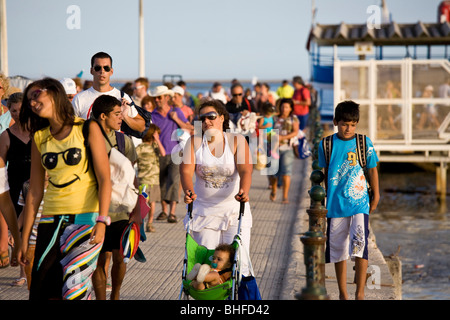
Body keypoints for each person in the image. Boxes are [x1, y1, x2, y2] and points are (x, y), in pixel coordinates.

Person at [17, 78, 112, 300]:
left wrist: (102, 220)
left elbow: (105, 178)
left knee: (74, 290)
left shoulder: (88, 128)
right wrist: (23, 240)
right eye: (28, 99)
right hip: (50, 223)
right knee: (43, 292)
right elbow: (34, 192)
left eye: (36, 94)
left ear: (54, 93)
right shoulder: (40, 138)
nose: (32, 101)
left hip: (84, 221)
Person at [180, 99, 253, 278]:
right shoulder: (194, 142)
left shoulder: (237, 141)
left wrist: (244, 190)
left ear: (222, 118)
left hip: (234, 211)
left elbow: (246, 170)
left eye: (211, 117)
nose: (206, 122)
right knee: (205, 264)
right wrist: (188, 191)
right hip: (204, 211)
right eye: (202, 118)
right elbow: (185, 170)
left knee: (237, 262)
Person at [318, 100, 380, 300]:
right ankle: (343, 293)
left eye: (353, 124)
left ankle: (359, 292)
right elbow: (323, 172)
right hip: (335, 204)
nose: (349, 128)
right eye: (345, 123)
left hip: (359, 202)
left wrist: (376, 195)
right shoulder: (326, 144)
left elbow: (372, 168)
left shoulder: (364, 142)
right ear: (336, 121)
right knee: (338, 250)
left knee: (360, 246)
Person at [90, 95, 140, 300]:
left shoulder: (123, 140)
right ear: (103, 116)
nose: (121, 118)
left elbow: (133, 176)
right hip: (93, 209)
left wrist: (138, 210)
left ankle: (116, 295)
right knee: (98, 261)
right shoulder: (86, 139)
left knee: (121, 258)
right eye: (117, 114)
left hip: (120, 211)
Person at [71, 52, 145, 134]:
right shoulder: (79, 98)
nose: (102, 71)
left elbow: (141, 127)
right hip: (87, 145)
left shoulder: (121, 96)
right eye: (98, 68)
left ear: (111, 71)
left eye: (106, 68)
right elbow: (69, 127)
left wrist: (125, 117)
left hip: (114, 146)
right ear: (92, 71)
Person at [150, 85, 193, 223]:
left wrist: (176, 119)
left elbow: (190, 128)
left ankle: (172, 213)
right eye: (155, 97)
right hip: (159, 153)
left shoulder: (176, 111)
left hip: (176, 152)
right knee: (161, 182)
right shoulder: (153, 115)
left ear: (167, 98)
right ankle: (163, 211)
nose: (156, 100)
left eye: (159, 97)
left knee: (174, 181)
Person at [0, 93, 30, 269]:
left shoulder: (38, 133)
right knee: (19, 228)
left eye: (21, 110)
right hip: (15, 184)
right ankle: (22, 272)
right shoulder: (6, 135)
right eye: (14, 111)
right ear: (9, 112)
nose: (18, 114)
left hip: (36, 185)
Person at [136, 124, 166, 232]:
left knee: (152, 202)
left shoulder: (156, 147)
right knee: (144, 201)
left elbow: (163, 153)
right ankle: (141, 223)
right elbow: (133, 158)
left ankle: (150, 223)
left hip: (154, 180)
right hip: (144, 179)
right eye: (156, 134)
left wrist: (157, 140)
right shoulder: (141, 147)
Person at [270, 99, 299, 204]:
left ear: (291, 108)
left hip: (288, 148)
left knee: (286, 172)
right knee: (273, 173)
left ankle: (285, 196)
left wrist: (282, 137)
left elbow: (295, 132)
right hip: (274, 149)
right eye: (282, 107)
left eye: (287, 107)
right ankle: (273, 189)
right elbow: (268, 130)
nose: (284, 109)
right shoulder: (274, 118)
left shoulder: (293, 118)